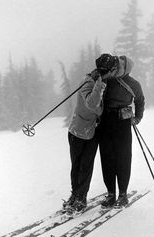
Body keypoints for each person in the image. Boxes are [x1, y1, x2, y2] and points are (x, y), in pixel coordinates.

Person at [63, 53, 119, 215]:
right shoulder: (88, 82)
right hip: (77, 131)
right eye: (111, 70)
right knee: (77, 166)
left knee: (86, 167)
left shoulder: (102, 81)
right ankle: (75, 195)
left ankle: (81, 197)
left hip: (92, 132)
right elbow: (92, 104)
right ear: (105, 71)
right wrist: (99, 83)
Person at [98, 55, 145, 209]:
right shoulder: (107, 79)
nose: (116, 68)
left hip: (123, 121)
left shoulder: (133, 84)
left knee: (123, 158)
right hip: (105, 120)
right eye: (116, 65)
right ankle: (111, 193)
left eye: (119, 66)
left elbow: (140, 100)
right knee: (106, 157)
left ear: (126, 68)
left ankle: (123, 194)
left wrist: (137, 118)